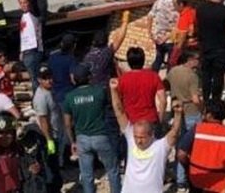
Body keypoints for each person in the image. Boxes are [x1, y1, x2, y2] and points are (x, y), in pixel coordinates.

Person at [110, 76, 182, 191]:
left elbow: (174, 133)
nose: (138, 141)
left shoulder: (160, 147)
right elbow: (119, 112)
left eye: (142, 137)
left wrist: (178, 114)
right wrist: (113, 91)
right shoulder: (130, 138)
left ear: (152, 135)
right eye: (136, 137)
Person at [63, 64, 121, 193]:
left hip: (82, 138)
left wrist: (72, 141)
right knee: (112, 170)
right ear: (89, 77)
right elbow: (109, 108)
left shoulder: (69, 97)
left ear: (74, 79)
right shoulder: (99, 91)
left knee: (87, 174)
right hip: (101, 135)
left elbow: (67, 123)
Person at [177, 99, 225, 193]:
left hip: (197, 181)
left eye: (205, 112)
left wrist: (189, 167)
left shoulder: (196, 130)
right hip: (224, 186)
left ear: (209, 115)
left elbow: (181, 154)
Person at [168, 50, 202, 190]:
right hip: (191, 112)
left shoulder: (173, 71)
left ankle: (179, 177)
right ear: (190, 60)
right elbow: (195, 99)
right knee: (192, 148)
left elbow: (166, 84)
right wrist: (203, 109)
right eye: (197, 58)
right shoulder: (192, 76)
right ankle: (188, 177)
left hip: (177, 111)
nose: (199, 61)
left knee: (179, 146)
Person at [196, 0, 225, 101]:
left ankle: (206, 99)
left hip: (204, 46)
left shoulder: (200, 9)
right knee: (218, 75)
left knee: (206, 75)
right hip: (220, 47)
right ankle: (215, 100)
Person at [117, 47, 166, 128]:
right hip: (151, 119)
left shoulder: (122, 80)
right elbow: (163, 100)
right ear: (143, 60)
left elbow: (118, 103)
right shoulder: (154, 76)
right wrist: (161, 119)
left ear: (128, 62)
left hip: (130, 121)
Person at [32, 65, 64, 187]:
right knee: (51, 167)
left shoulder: (49, 92)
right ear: (39, 80)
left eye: (50, 77)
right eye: (45, 78)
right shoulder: (41, 97)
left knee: (55, 165)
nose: (49, 80)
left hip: (55, 134)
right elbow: (43, 120)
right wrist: (49, 140)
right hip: (48, 137)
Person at [147, 0, 181, 72]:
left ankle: (153, 77)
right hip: (171, 38)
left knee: (158, 59)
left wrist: (150, 33)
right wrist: (166, 38)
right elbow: (178, 24)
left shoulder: (159, 1)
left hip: (158, 36)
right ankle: (169, 79)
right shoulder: (178, 4)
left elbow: (150, 16)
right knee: (171, 62)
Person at [18, 0, 43, 92]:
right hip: (27, 51)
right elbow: (23, 35)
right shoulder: (23, 17)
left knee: (35, 79)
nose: (23, 5)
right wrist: (22, 51)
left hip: (32, 50)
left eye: (25, 2)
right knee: (34, 78)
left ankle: (38, 98)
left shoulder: (33, 15)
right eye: (21, 3)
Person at [47, 34, 78, 106]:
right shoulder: (71, 59)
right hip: (67, 94)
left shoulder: (52, 57)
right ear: (74, 46)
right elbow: (73, 79)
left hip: (54, 93)